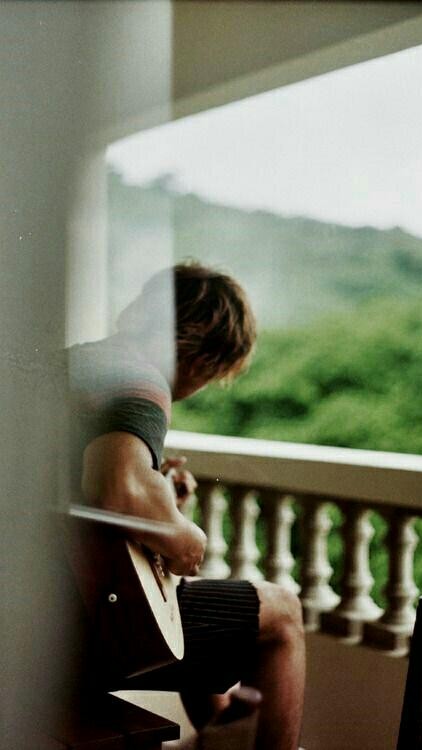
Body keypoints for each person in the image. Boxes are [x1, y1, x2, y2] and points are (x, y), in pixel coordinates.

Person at [68, 262, 305, 750]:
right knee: (283, 614)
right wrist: (183, 534)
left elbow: (81, 496)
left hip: (29, 611)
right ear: (206, 356)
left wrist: (162, 503)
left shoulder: (74, 364)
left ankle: (221, 717)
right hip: (67, 630)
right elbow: (117, 489)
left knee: (190, 624)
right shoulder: (141, 381)